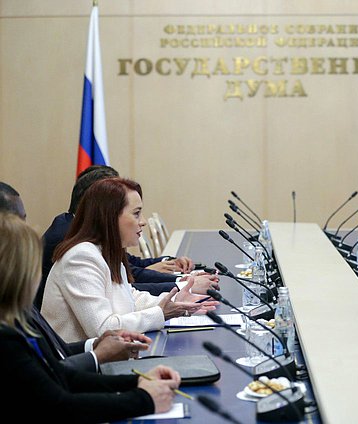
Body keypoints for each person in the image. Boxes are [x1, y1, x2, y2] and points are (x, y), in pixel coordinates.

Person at [0, 211, 181, 421]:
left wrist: (138, 382)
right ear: (18, 275)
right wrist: (144, 400)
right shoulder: (6, 339)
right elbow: (59, 405)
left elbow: (62, 374)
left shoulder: (17, 320)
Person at [41, 177, 219, 342]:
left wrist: (175, 301)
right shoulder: (80, 258)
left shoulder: (105, 250)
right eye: (136, 213)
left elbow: (131, 299)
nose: (143, 222)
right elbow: (103, 329)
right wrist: (161, 313)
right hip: (82, 370)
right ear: (110, 217)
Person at [0, 181, 152, 371]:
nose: (25, 229)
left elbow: (56, 355)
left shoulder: (18, 306)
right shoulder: (81, 256)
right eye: (16, 221)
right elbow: (54, 382)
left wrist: (95, 347)